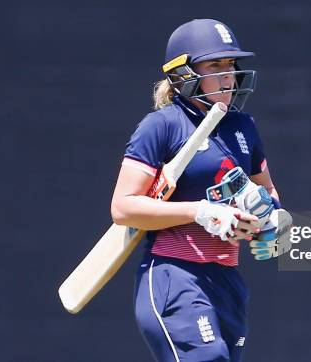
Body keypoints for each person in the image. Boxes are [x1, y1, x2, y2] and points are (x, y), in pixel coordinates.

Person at [110, 19, 291, 362]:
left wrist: (274, 221)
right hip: (175, 276)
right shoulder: (161, 126)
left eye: (231, 65)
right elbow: (124, 208)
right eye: (215, 65)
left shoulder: (242, 126)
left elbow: (266, 191)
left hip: (227, 280)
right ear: (182, 74)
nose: (229, 75)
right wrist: (201, 211)